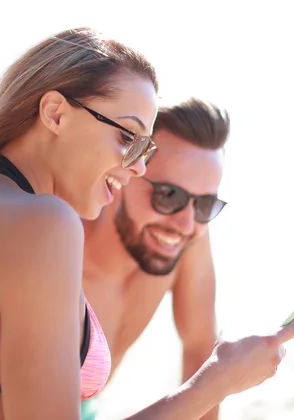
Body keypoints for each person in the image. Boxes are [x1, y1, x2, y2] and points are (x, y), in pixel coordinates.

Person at [0, 27, 294, 420]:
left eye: (143, 150)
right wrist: (217, 382)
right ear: (54, 113)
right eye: (127, 137)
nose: (137, 168)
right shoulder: (42, 222)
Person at [79, 98, 277, 419]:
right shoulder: (57, 248)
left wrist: (214, 382)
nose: (185, 225)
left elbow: (201, 352)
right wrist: (216, 383)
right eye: (169, 195)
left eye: (204, 205)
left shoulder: (183, 236)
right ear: (125, 172)